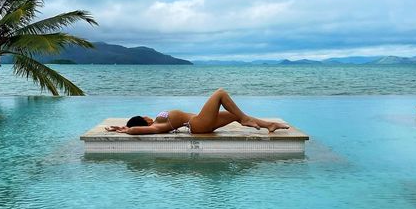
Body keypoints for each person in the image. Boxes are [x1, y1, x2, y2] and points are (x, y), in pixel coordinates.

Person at [105, 88, 290, 135]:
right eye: (143, 117)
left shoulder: (157, 121)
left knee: (234, 113)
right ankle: (244, 120)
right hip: (198, 124)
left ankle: (269, 125)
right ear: (143, 121)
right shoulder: (156, 126)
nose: (147, 116)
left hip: (200, 121)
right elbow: (138, 130)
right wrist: (128, 130)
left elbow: (133, 127)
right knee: (220, 93)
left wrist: (120, 127)